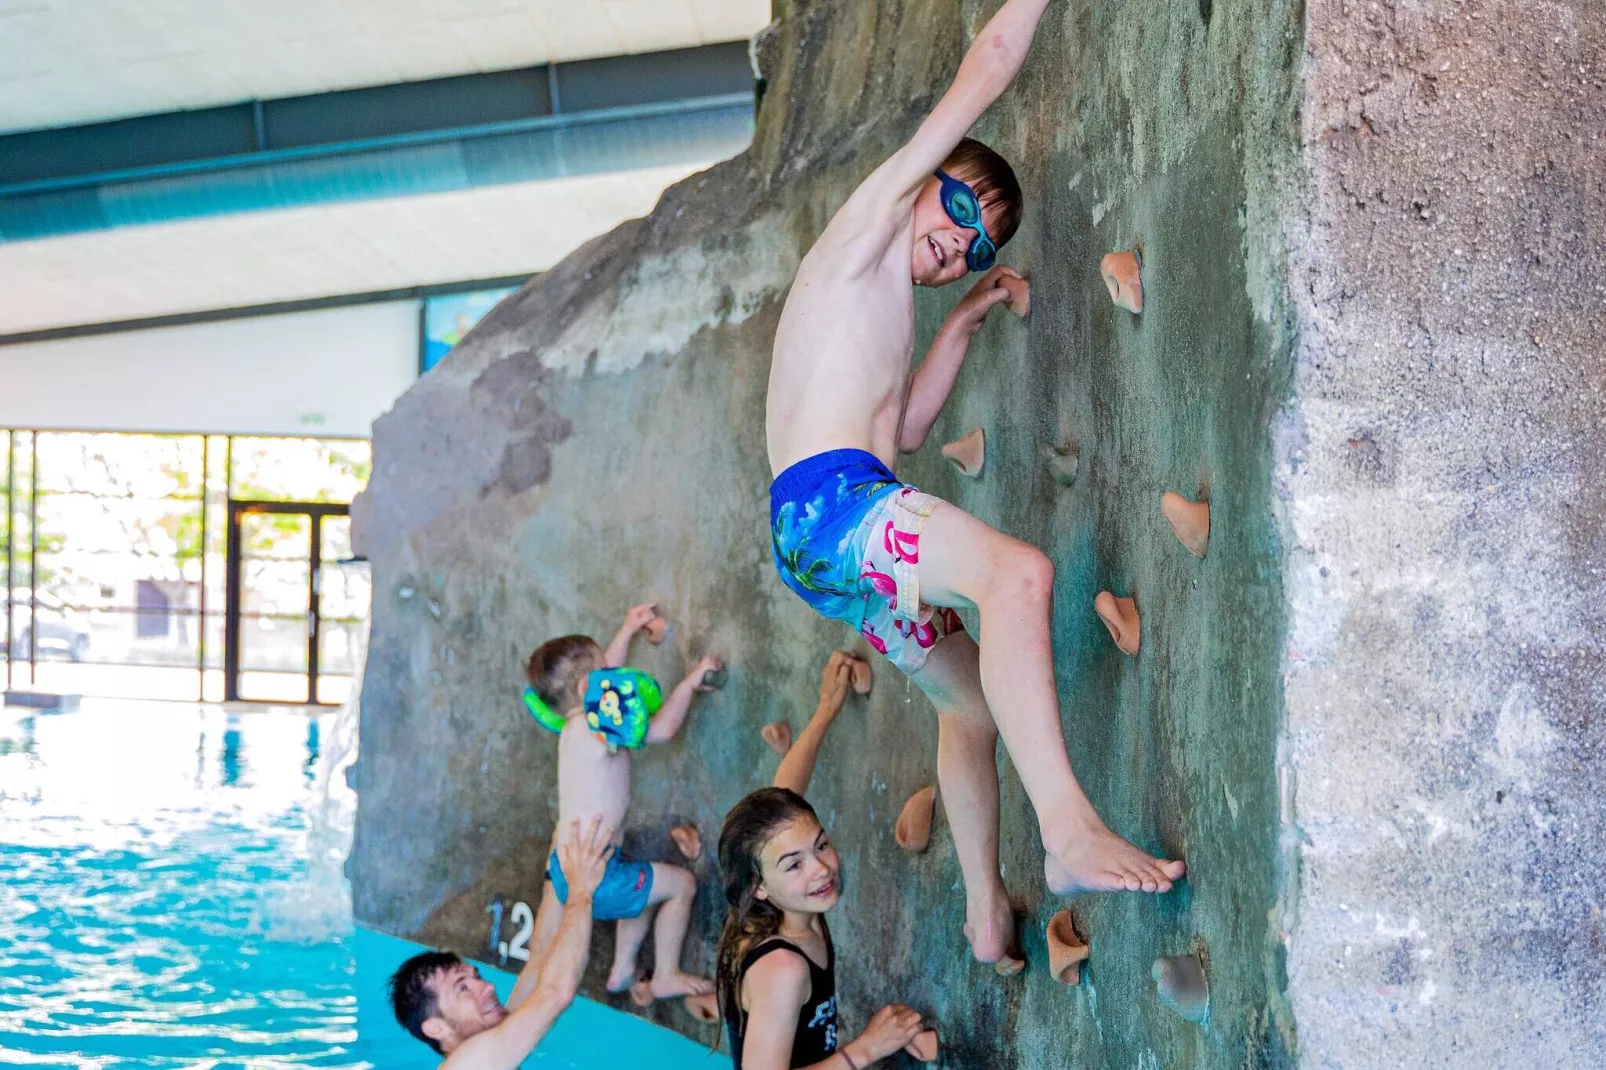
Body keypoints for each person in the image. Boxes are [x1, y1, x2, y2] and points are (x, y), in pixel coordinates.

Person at [763, 0, 1185, 966]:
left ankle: (984, 909)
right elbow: (986, 70)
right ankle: (1068, 828)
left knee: (970, 706)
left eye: (977, 249)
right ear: (920, 186)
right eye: (955, 214)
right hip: (834, 509)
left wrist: (956, 328)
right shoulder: (865, 227)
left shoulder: (886, 301)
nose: (959, 248)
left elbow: (904, 428)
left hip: (827, 540)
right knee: (1020, 576)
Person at [717, 652, 928, 1069]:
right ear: (759, 884)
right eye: (794, 864)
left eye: (821, 845)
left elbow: (785, 799)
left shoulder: (776, 901)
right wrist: (867, 1048)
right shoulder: (783, 968)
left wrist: (826, 710)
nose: (821, 868)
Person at [521, 602, 722, 999]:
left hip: (573, 870)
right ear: (589, 689)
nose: (615, 677)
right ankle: (665, 974)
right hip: (597, 877)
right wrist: (689, 682)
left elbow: (598, 680)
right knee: (680, 885)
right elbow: (661, 729)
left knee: (645, 882)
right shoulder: (600, 731)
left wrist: (628, 628)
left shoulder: (574, 727)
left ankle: (621, 968)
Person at [387, 816, 612, 1068]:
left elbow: (539, 959)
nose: (488, 987)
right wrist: (582, 891)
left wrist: (557, 864)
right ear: (436, 1028)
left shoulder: (492, 1043)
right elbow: (556, 993)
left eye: (477, 976)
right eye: (463, 988)